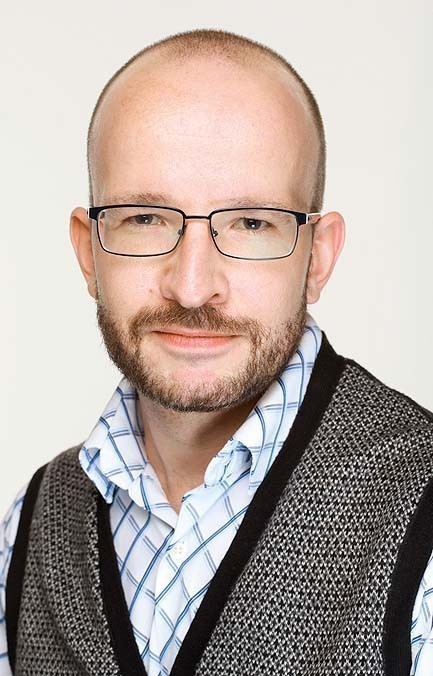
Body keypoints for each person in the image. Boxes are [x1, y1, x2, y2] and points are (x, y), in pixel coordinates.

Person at [1, 28, 432, 676]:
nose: (192, 285)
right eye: (145, 219)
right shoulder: (28, 530)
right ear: (88, 252)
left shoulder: (422, 519)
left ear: (317, 258)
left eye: (251, 223)